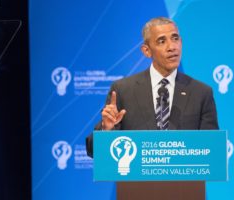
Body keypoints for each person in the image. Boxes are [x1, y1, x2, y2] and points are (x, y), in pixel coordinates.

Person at [86, 17, 219, 157]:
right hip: (137, 177)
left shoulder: (201, 92)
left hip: (184, 177)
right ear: (146, 51)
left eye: (175, 38)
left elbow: (212, 151)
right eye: (162, 41)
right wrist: (106, 130)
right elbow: (94, 150)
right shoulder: (123, 90)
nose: (172, 47)